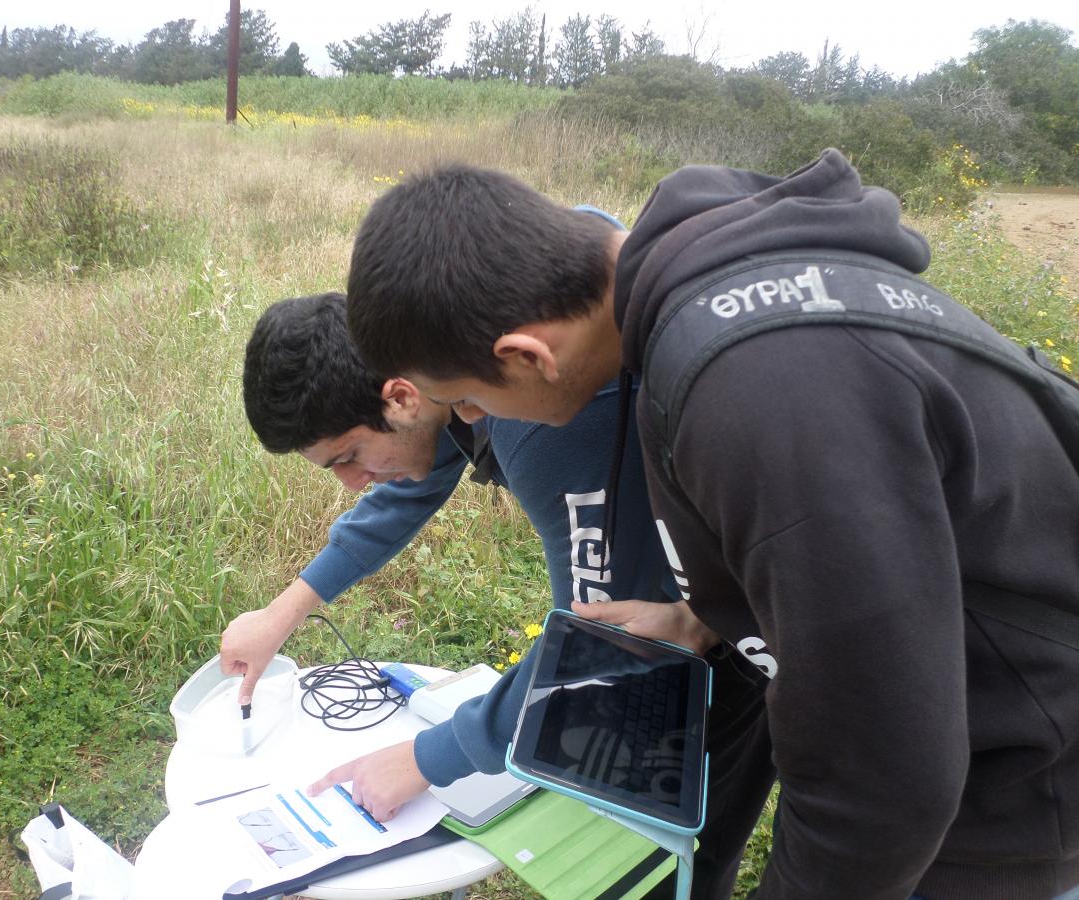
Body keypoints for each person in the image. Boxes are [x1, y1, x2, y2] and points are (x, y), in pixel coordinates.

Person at [344, 151, 1079, 900]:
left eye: (466, 399)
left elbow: (880, 773)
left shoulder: (761, 390)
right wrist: (703, 614)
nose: (471, 419)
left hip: (1017, 784)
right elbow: (865, 550)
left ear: (527, 356)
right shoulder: (681, 300)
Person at [221, 288, 705, 824]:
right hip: (684, 605)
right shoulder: (445, 381)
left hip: (730, 606)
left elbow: (595, 639)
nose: (352, 483)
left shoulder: (539, 426)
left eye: (350, 456)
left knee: (693, 812)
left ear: (400, 398)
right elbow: (409, 489)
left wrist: (426, 759)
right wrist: (280, 615)